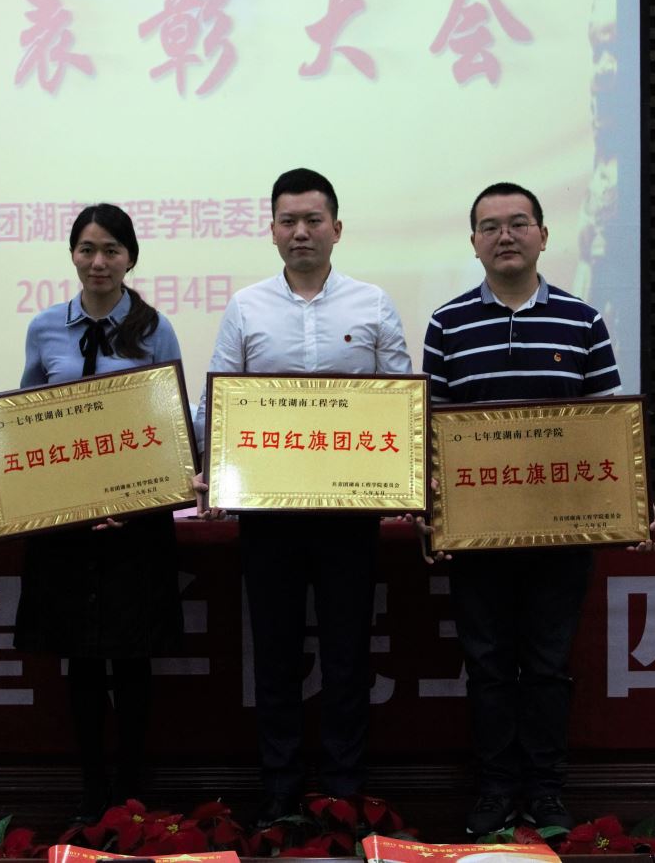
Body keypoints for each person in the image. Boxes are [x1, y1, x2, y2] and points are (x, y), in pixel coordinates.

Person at [195, 168, 411, 827]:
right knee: (276, 654)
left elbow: (402, 402)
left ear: (336, 228)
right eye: (288, 221)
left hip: (349, 516)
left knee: (348, 655)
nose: (300, 232)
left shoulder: (373, 304)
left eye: (313, 220)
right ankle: (281, 789)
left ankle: (344, 789)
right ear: (272, 231)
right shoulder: (247, 307)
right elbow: (215, 405)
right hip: (270, 517)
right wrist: (210, 467)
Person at [423, 181, 620, 836]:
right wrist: (435, 510)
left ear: (542, 234)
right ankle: (494, 789)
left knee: (547, 666)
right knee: (486, 667)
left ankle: (546, 790)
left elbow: (607, 429)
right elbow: (433, 431)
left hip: (561, 533)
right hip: (478, 535)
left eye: (518, 223)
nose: (504, 236)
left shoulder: (583, 320)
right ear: (473, 242)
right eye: (490, 226)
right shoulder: (446, 324)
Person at [14, 204, 185, 823]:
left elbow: (172, 425)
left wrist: (130, 503)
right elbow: (28, 416)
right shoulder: (44, 328)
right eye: (87, 249)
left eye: (111, 249)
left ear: (130, 257)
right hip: (67, 526)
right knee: (81, 660)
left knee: (132, 660)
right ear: (72, 255)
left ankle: (130, 788)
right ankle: (91, 789)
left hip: (135, 527)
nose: (98, 262)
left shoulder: (155, 328)